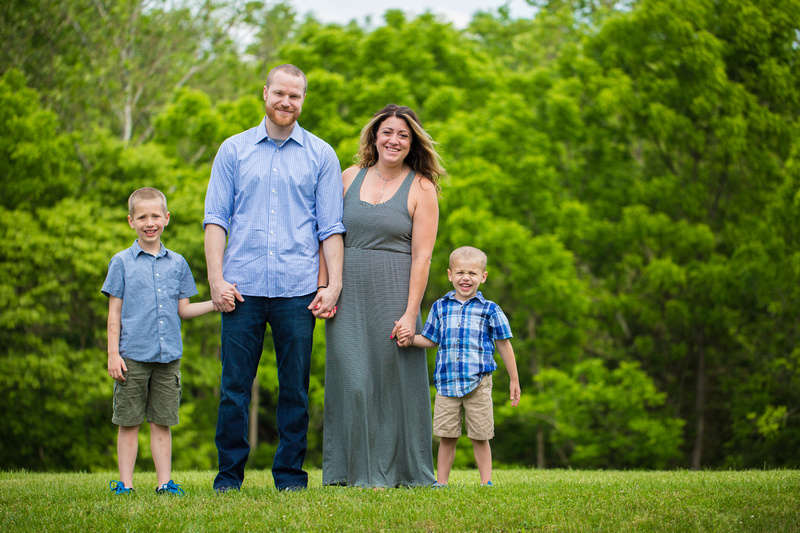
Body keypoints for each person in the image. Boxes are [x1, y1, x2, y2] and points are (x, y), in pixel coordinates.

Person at [204, 64, 345, 493]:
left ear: (303, 100)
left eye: (295, 96)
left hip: (298, 290)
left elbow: (330, 227)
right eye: (280, 93)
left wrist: (332, 283)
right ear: (265, 93)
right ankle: (229, 477)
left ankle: (289, 477)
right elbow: (215, 220)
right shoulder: (233, 150)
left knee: (295, 391)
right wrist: (214, 279)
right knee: (233, 389)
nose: (287, 102)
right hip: (240, 288)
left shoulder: (321, 155)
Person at [322, 104, 445, 488]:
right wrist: (326, 285)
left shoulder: (423, 188)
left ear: (413, 143)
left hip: (396, 291)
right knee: (354, 382)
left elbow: (422, 256)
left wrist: (411, 313)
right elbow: (327, 235)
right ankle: (350, 471)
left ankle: (402, 472)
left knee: (394, 383)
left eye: (403, 135)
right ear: (375, 136)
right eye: (387, 132)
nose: (394, 140)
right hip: (347, 291)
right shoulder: (348, 177)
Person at [102, 187, 234, 495]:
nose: (150, 222)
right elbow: (114, 314)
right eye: (142, 217)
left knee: (162, 423)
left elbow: (183, 309)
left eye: (156, 216)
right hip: (131, 357)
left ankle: (165, 483)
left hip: (168, 357)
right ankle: (126, 484)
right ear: (131, 221)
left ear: (166, 218)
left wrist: (216, 303)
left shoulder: (178, 263)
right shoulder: (121, 262)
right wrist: (112, 354)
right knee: (129, 422)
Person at [396, 246, 521, 487]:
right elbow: (431, 340)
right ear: (450, 274)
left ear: (483, 277)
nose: (466, 277)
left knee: (480, 436)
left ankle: (486, 482)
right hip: (447, 382)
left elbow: (504, 345)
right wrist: (410, 338)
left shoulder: (490, 310)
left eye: (473, 273)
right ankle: (441, 483)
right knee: (447, 436)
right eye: (460, 272)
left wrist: (514, 380)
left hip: (479, 383)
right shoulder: (440, 307)